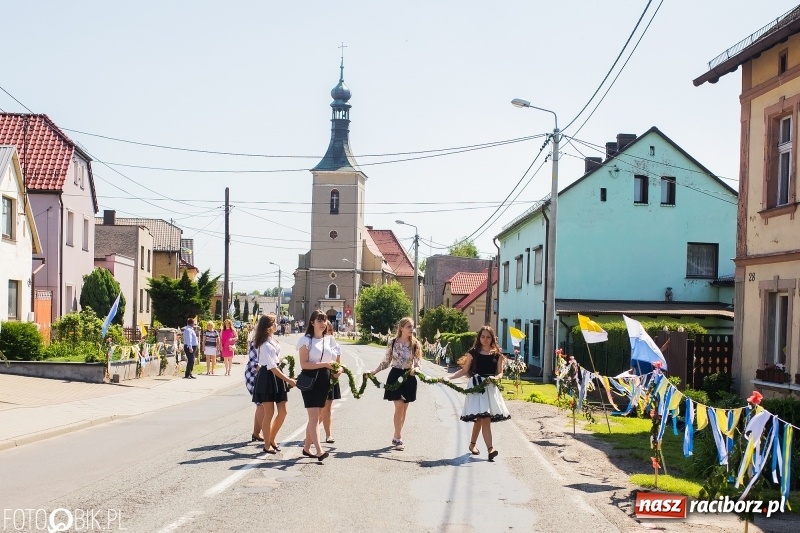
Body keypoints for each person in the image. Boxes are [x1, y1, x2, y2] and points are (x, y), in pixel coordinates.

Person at [443, 325, 510, 461]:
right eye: (482, 336)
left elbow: (500, 372)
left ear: (492, 339)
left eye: (488, 337)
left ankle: (473, 445)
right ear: (479, 337)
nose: (485, 339)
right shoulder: (473, 352)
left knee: (482, 418)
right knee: (482, 418)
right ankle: (490, 449)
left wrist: (496, 378)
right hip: (476, 386)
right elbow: (464, 370)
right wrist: (449, 377)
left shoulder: (497, 354)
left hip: (490, 387)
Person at [366, 317, 421, 451]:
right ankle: (398, 437)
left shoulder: (415, 344)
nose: (411, 329)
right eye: (408, 326)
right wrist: (375, 371)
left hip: (409, 376)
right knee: (399, 407)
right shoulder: (392, 342)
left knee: (404, 409)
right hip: (395, 375)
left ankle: (397, 436)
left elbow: (418, 363)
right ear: (401, 328)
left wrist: (416, 370)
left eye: (412, 327)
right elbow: (386, 361)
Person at [252, 314, 296, 454]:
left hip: (276, 374)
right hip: (267, 376)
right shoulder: (264, 343)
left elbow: (275, 360)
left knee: (283, 411)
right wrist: (288, 379)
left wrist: (282, 360)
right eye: (275, 323)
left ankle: (271, 437)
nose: (277, 325)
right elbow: (271, 366)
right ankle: (267, 444)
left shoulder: (272, 340)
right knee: (269, 413)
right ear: (269, 327)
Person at [296, 310, 337, 461]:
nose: (323, 324)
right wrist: (325, 364)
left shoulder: (330, 339)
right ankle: (319, 451)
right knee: (314, 416)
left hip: (324, 380)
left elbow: (334, 360)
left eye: (324, 320)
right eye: (319, 321)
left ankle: (307, 448)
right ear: (312, 323)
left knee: (318, 416)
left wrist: (338, 369)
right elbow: (304, 364)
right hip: (309, 379)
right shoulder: (305, 340)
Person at [304, 320, 342, 450]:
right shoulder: (316, 342)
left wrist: (339, 371)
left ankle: (327, 434)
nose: (328, 332)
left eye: (329, 330)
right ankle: (311, 437)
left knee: (327, 408)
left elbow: (338, 364)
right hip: (320, 377)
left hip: (331, 378)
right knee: (317, 412)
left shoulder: (334, 344)